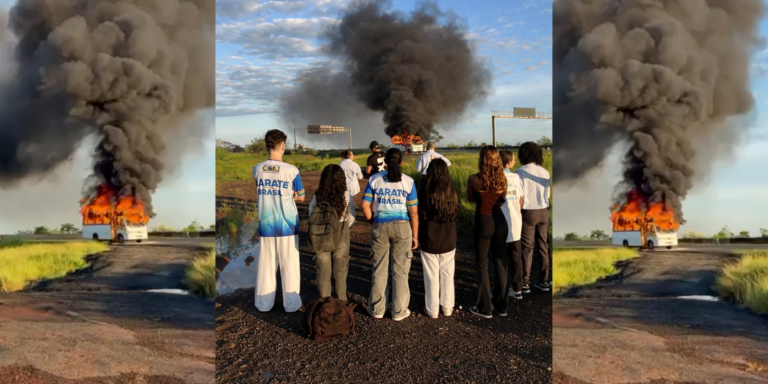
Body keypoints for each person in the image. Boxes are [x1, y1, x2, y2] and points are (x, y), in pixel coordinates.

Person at [361, 148, 419, 321]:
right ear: (401, 162)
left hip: (380, 226)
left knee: (379, 269)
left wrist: (373, 220)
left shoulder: (374, 179)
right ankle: (399, 311)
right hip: (402, 228)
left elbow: (365, 206)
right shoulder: (408, 181)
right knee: (400, 271)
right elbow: (414, 212)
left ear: (385, 162)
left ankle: (377, 309)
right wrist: (415, 235)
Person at [252, 129, 306, 312]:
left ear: (267, 145)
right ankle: (291, 305)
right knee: (289, 264)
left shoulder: (257, 169)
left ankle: (263, 304)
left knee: (266, 264)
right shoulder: (291, 170)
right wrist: (292, 195)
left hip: (265, 225)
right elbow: (302, 197)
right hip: (288, 226)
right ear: (283, 146)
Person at [466, 145, 508, 319]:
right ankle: (502, 306)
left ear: (482, 159)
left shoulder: (473, 179)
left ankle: (485, 308)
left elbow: (470, 198)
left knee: (482, 264)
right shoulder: (502, 179)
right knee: (500, 263)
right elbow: (502, 201)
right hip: (500, 221)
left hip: (484, 221)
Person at [417, 158, 458, 318]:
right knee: (448, 273)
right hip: (449, 239)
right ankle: (447, 307)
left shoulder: (424, 191)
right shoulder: (452, 191)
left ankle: (432, 309)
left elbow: (418, 214)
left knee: (431, 275)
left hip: (428, 239)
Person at [308, 164, 356, 302]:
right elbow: (351, 217)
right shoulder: (346, 195)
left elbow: (311, 214)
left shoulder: (317, 195)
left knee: (323, 271)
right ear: (342, 178)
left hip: (321, 234)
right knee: (340, 270)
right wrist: (345, 228)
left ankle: (324, 303)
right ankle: (342, 301)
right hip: (341, 232)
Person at [515, 142, 551, 292]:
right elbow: (547, 197)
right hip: (543, 211)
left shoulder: (519, 172)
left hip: (528, 212)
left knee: (527, 248)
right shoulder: (545, 172)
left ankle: (525, 281)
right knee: (543, 246)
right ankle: (544, 281)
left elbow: (519, 196)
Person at [499, 150, 524, 300]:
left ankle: (500, 289)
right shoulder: (516, 177)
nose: (515, 162)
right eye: (514, 160)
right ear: (508, 162)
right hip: (516, 222)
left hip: (500, 223)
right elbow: (520, 200)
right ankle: (517, 289)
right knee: (516, 258)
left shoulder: (496, 177)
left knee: (500, 259)